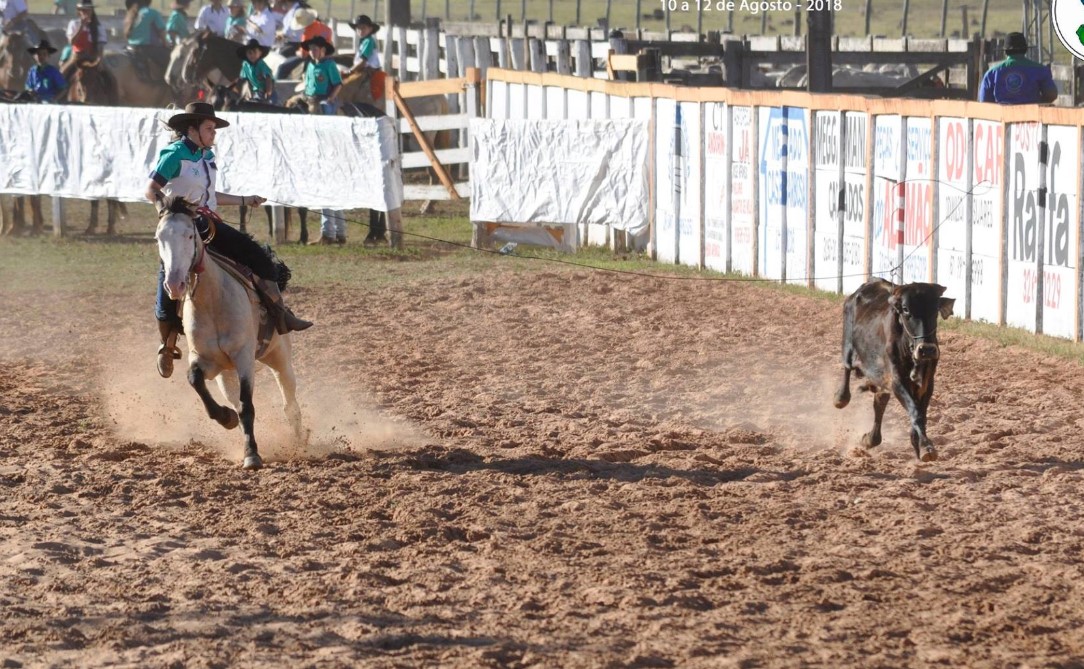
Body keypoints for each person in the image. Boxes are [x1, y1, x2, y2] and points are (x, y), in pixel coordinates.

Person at [146, 102, 312, 378]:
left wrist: (246, 200)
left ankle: (278, 312)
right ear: (192, 129)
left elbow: (210, 196)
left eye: (213, 129)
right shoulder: (174, 155)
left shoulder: (205, 157)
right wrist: (168, 216)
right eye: (209, 128)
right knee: (170, 278)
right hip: (184, 227)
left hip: (209, 224)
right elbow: (151, 189)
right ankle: (168, 344)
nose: (214, 133)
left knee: (258, 256)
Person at [978, 32, 1057, 104]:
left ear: (1005, 52)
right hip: (1031, 115)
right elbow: (1051, 95)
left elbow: (984, 100)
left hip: (1002, 116)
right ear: (1025, 50)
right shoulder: (1041, 70)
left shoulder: (992, 72)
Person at [274, 6, 329, 79]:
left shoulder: (307, 33)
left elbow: (303, 54)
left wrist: (297, 52)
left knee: (282, 68)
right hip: (325, 55)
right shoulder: (326, 28)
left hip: (311, 56)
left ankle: (278, 86)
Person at [60, 0, 107, 81]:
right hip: (76, 58)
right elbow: (71, 42)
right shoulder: (74, 24)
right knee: (61, 75)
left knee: (109, 77)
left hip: (93, 58)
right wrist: (81, 27)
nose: (86, 12)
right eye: (83, 10)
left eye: (88, 10)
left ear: (92, 11)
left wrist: (100, 59)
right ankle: (60, 93)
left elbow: (100, 46)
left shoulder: (98, 27)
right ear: (79, 11)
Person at [346, 14, 384, 102]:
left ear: (370, 29)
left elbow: (363, 61)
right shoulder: (364, 41)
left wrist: (350, 71)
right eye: (358, 28)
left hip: (368, 71)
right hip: (363, 70)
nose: (360, 30)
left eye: (363, 28)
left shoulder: (368, 41)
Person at [230, 37, 274, 102]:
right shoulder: (245, 65)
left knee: (261, 100)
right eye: (249, 52)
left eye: (255, 52)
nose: (252, 55)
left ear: (260, 53)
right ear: (246, 54)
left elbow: (268, 78)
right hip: (255, 90)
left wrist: (268, 92)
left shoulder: (261, 64)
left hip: (266, 90)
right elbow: (244, 80)